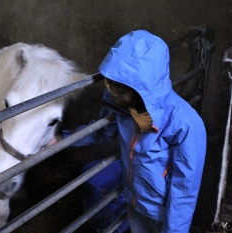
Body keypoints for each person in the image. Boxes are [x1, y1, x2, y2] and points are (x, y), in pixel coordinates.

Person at [59, 30, 207, 233]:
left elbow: (184, 189)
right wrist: (64, 139)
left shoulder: (186, 124)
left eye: (121, 88)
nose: (112, 93)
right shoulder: (122, 105)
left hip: (162, 211)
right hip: (134, 202)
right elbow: (102, 130)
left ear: (144, 87)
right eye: (110, 83)